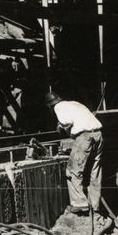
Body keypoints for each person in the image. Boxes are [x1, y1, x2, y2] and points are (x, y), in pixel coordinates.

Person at [48, 88, 104, 216]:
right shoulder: (74, 103)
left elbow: (67, 122)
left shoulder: (58, 107)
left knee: (72, 170)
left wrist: (60, 126)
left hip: (85, 137)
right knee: (94, 172)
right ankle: (95, 206)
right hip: (98, 135)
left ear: (50, 105)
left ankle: (79, 203)